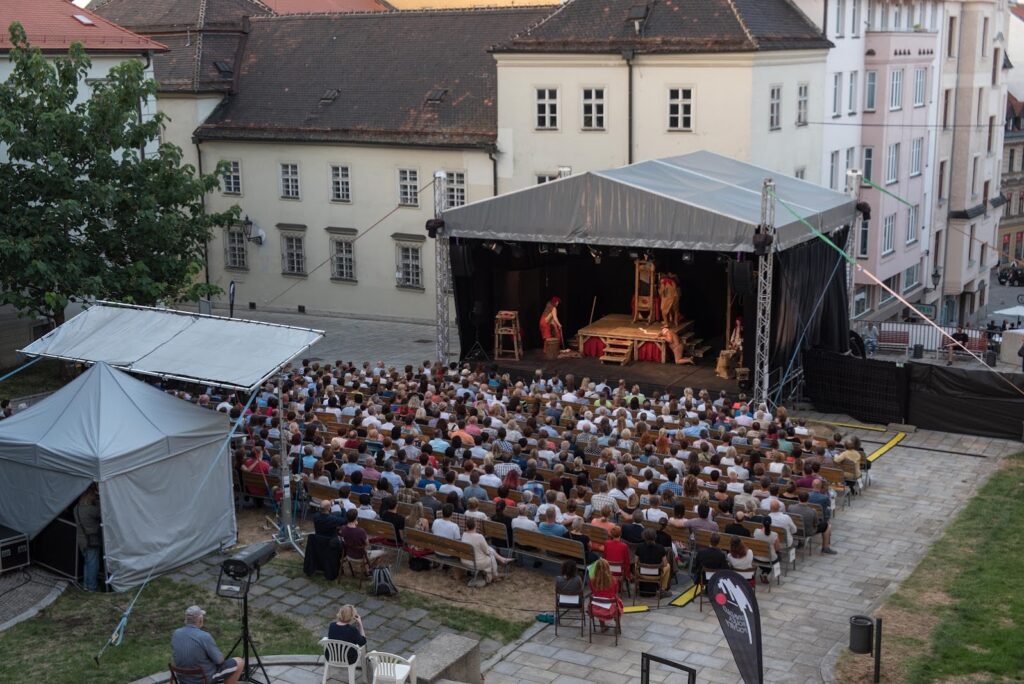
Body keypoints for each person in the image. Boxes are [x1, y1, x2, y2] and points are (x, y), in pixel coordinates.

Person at [171, 605, 242, 684]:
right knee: (239, 662)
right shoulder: (204, 636)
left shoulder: (176, 633)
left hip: (183, 678)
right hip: (203, 679)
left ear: (186, 619)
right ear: (200, 620)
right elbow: (219, 661)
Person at [462, 517, 511, 585]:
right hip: (475, 562)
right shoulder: (479, 537)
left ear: (467, 526)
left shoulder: (464, 534)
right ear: (475, 525)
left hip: (465, 561)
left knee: (490, 550)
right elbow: (487, 552)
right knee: (491, 556)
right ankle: (494, 576)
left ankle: (502, 561)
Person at [75, 487, 102, 592]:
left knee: (87, 563)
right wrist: (99, 500)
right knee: (93, 564)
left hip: (81, 540)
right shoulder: (90, 509)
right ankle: (92, 587)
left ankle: (86, 585)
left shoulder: (76, 508)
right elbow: (101, 512)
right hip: (91, 540)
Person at [588, 558, 623, 633]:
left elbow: (592, 591)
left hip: (596, 609)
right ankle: (617, 625)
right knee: (617, 602)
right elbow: (615, 592)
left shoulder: (592, 580)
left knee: (599, 599)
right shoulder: (613, 580)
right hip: (611, 609)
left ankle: (602, 626)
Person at [635, 528, 672, 598]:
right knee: (668, 566)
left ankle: (637, 584)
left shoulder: (639, 547)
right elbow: (665, 563)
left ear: (644, 536)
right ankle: (662, 590)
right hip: (656, 574)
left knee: (635, 565)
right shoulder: (660, 547)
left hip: (642, 573)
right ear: (655, 537)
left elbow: (636, 561)